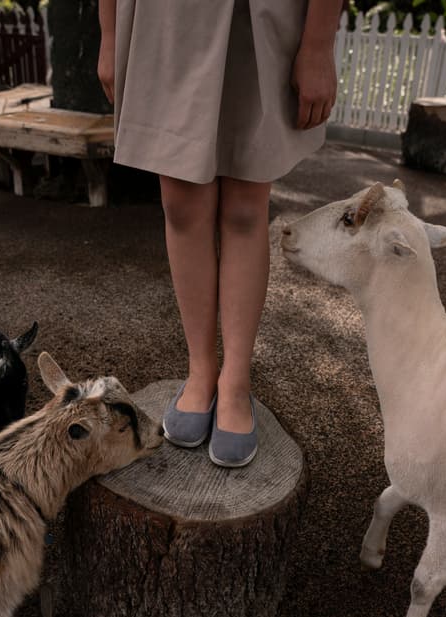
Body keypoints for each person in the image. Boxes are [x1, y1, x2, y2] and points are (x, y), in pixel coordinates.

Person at [97, 0, 341, 467]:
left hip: (258, 14)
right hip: (162, 15)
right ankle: (201, 371)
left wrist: (318, 42)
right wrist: (109, 29)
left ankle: (236, 381)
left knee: (247, 208)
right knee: (182, 204)